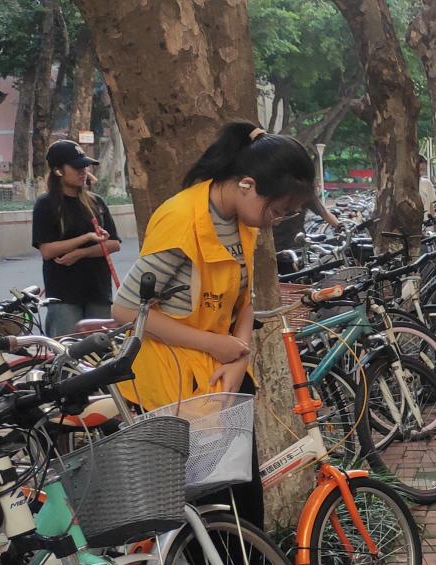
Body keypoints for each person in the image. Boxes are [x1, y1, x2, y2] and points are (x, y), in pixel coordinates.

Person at [111, 122, 320, 530]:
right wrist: (214, 345)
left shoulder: (240, 220)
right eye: (276, 210)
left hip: (223, 385)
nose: (274, 221)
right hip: (176, 391)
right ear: (246, 185)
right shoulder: (180, 220)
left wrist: (238, 358)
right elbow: (126, 310)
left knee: (244, 515)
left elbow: (244, 302)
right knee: (208, 522)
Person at [34, 140, 120, 337]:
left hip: (98, 290)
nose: (83, 171)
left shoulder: (96, 202)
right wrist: (86, 237)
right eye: (76, 167)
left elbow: (114, 244)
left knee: (103, 349)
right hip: (64, 295)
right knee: (67, 349)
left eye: (85, 166)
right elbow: (47, 250)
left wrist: (81, 253)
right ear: (58, 170)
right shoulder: (46, 204)